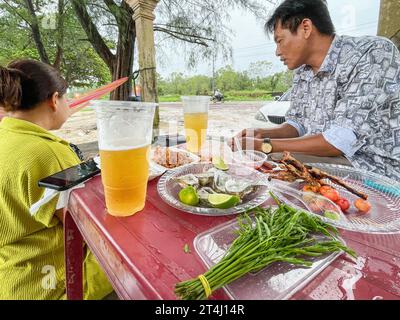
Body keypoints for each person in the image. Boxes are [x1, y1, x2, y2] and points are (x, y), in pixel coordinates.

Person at [232, 0, 400, 181]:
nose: (277, 52)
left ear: (306, 28)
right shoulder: (302, 72)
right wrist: (262, 133)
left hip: (370, 167)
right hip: (327, 159)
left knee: (268, 161)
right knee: (257, 161)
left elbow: (339, 141)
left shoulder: (371, 53)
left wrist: (263, 145)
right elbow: (298, 124)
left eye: (280, 41)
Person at [0, 59, 113, 299]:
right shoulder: (49, 153)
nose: (69, 103)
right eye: (66, 97)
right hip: (53, 286)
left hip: (12, 281)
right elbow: (88, 228)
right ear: (54, 100)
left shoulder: (5, 137)